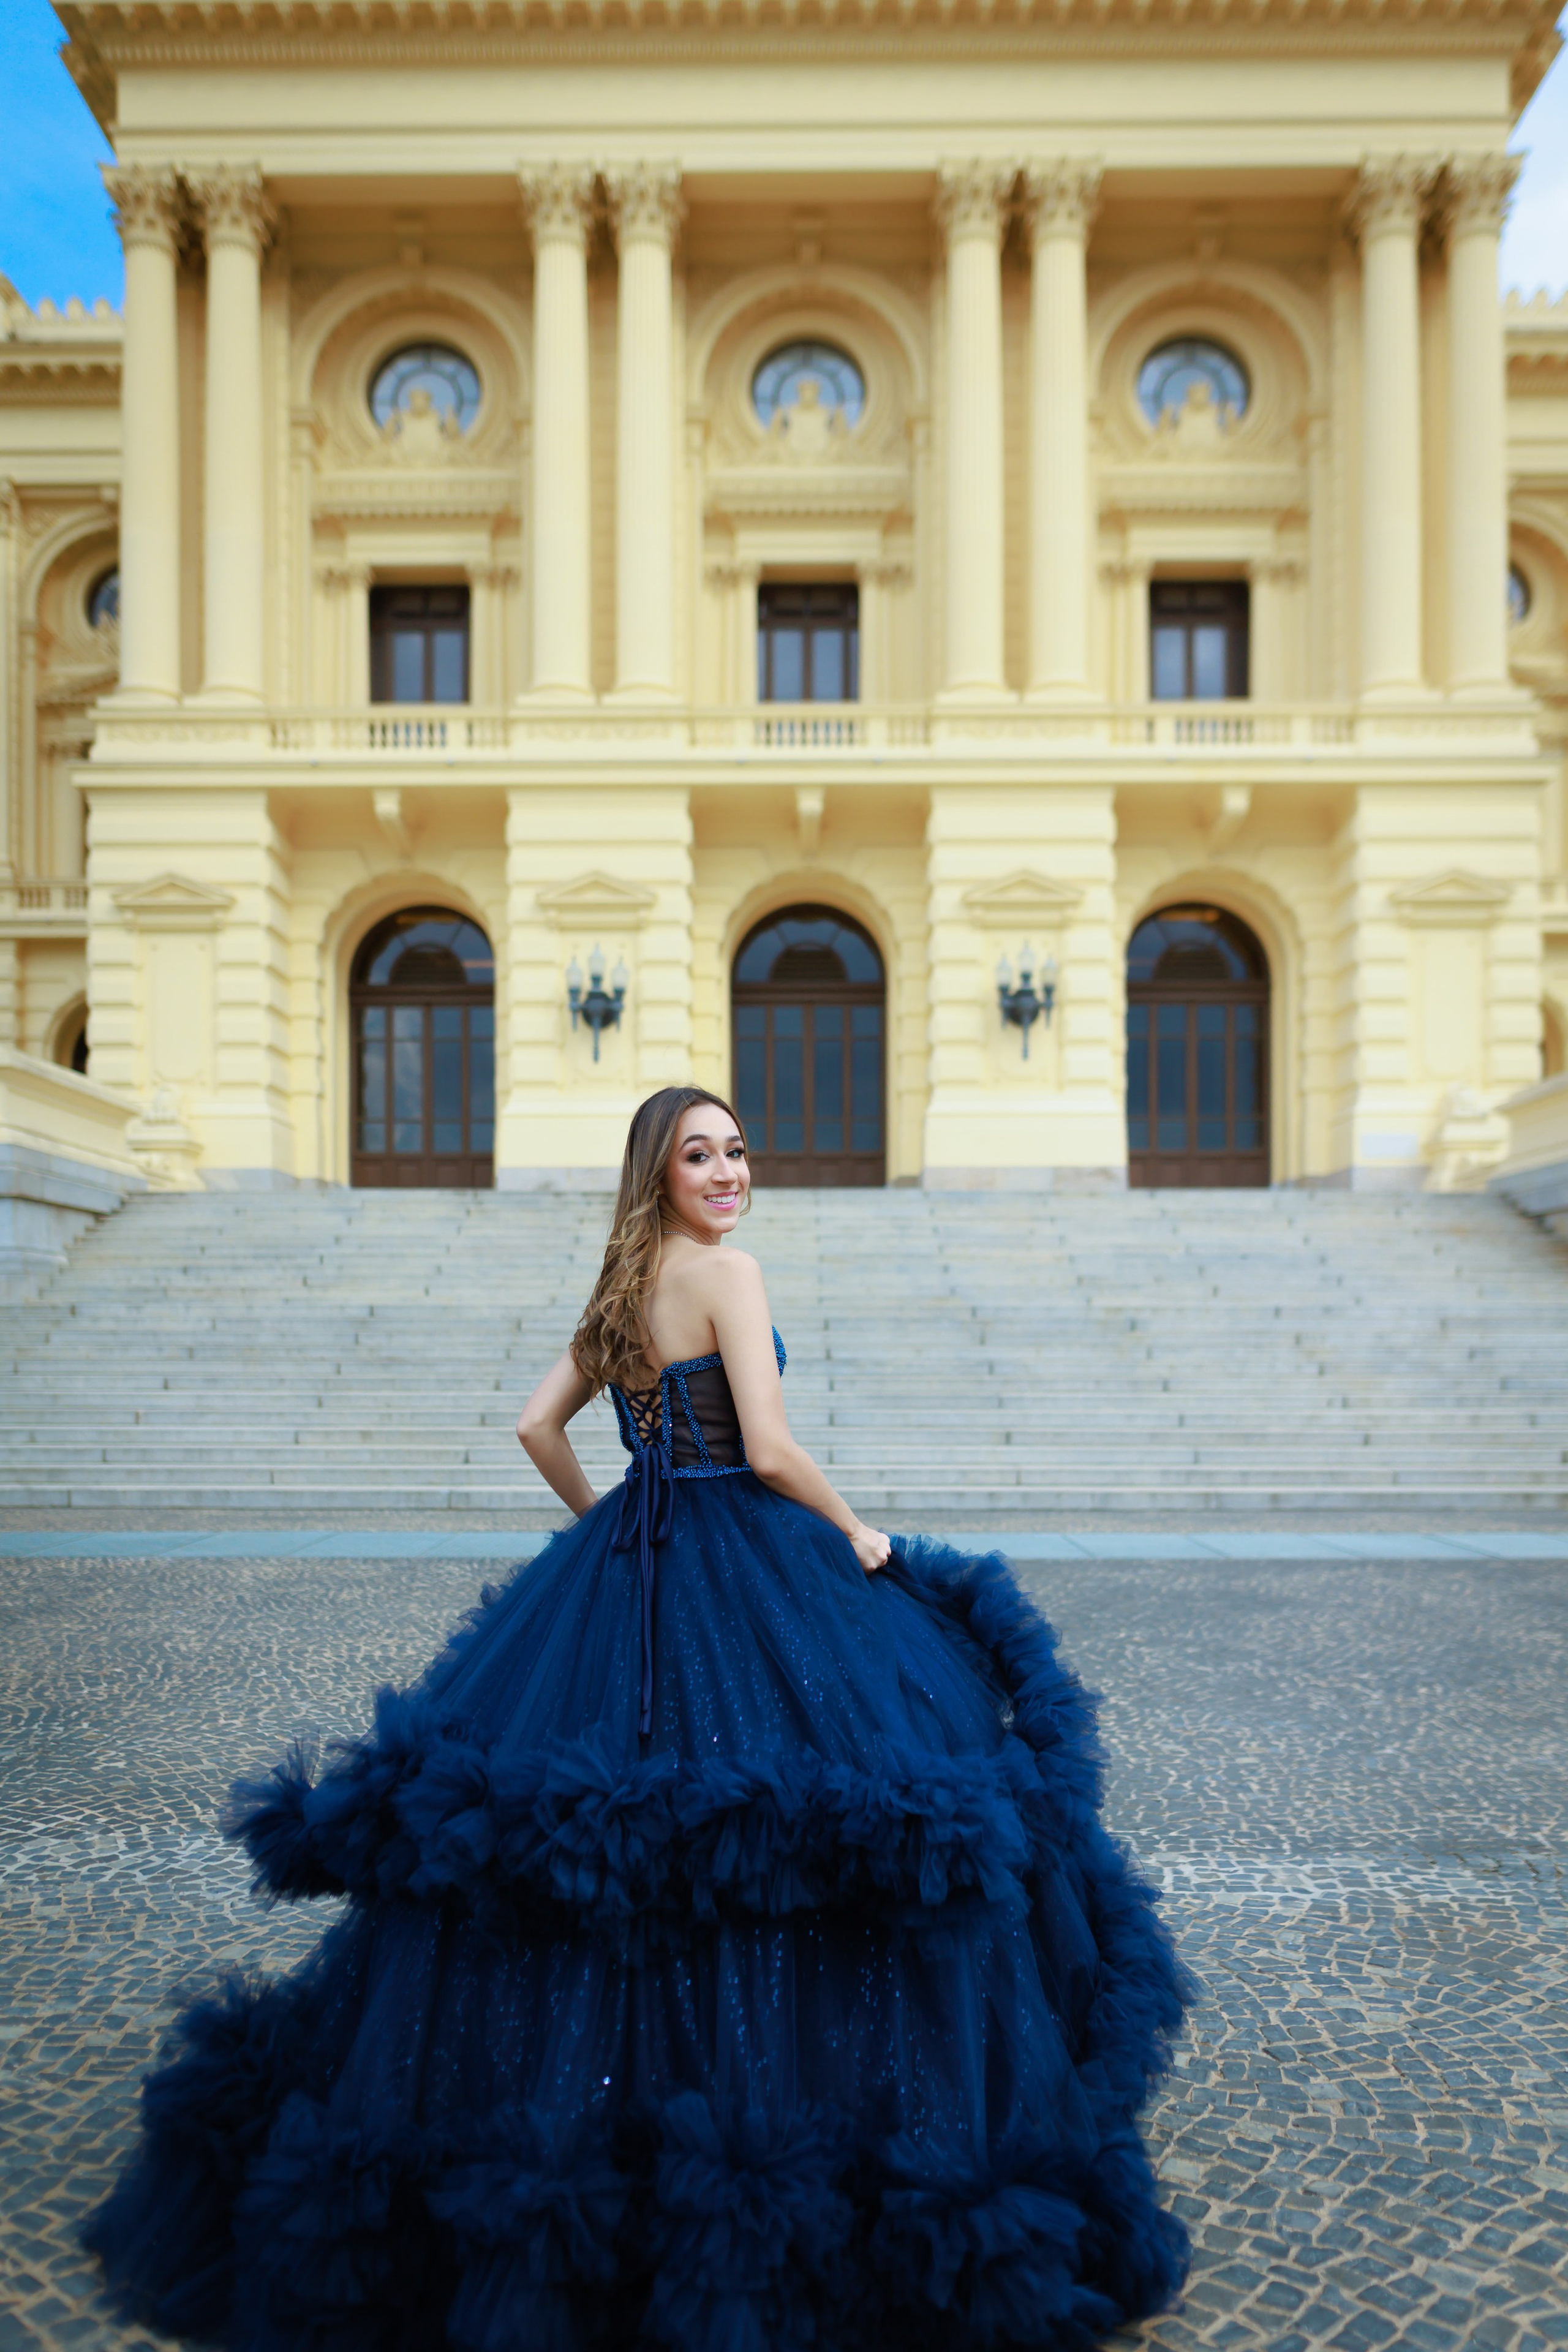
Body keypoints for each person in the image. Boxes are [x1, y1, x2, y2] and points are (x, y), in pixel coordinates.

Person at [85, 1085, 1194, 2351]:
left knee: (608, 1842)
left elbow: (532, 1424)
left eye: (734, 1150)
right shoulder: (728, 1275)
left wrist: (604, 1525)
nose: (727, 1173)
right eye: (699, 1155)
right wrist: (855, 1533)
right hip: (750, 1554)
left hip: (634, 1565)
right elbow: (768, 1450)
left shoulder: (623, 1287)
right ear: (658, 1172)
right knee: (792, 1821)